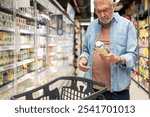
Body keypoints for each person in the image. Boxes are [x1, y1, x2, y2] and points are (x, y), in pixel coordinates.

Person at [78, 0, 138, 100]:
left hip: (118, 91)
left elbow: (133, 55)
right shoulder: (91, 26)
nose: (102, 15)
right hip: (93, 88)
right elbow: (86, 50)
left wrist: (118, 59)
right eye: (98, 11)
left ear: (113, 6)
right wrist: (83, 59)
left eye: (105, 10)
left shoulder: (127, 26)